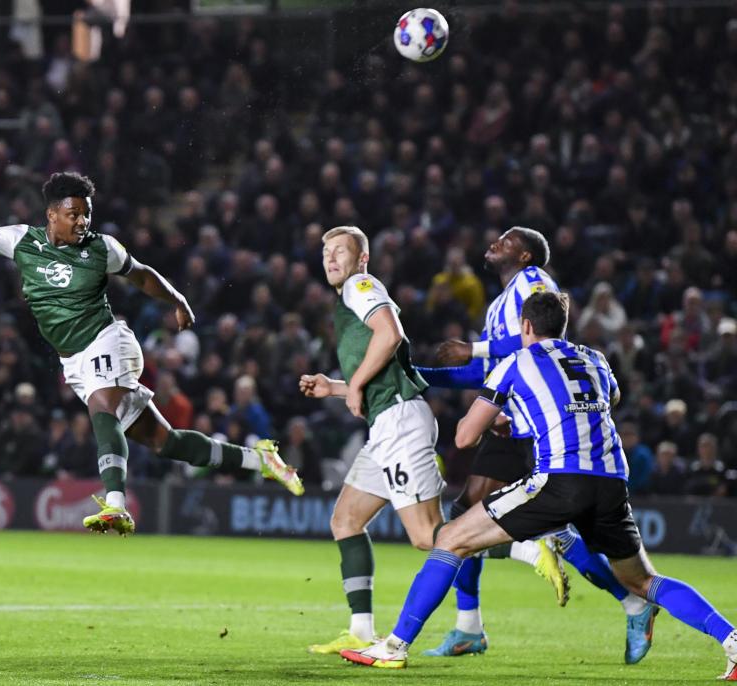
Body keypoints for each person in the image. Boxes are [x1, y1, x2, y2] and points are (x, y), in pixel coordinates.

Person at [0, 171, 302, 536]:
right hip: (74, 361)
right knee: (164, 442)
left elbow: (141, 275)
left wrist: (177, 299)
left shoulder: (102, 248)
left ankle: (115, 504)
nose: (82, 221)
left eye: (87, 214)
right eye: (74, 213)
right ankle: (260, 460)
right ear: (51, 214)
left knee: (103, 407)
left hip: (108, 339)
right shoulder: (20, 240)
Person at [341, 292, 737, 681]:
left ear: (525, 326)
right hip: (611, 481)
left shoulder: (515, 363)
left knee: (450, 539)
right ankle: (732, 640)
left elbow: (464, 437)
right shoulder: (595, 359)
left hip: (559, 478)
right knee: (643, 581)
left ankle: (394, 646)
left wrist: (496, 420)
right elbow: (609, 399)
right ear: (563, 326)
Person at [415, 227, 642, 659]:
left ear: (524, 256)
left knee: (465, 523)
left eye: (505, 241)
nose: (494, 243)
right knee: (502, 522)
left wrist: (474, 349)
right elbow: (490, 372)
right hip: (515, 422)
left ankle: (470, 624)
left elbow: (538, 339)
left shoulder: (534, 281)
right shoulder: (500, 303)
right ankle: (627, 601)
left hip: (532, 423)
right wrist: (424, 376)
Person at [298, 226, 446, 654]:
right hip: (387, 422)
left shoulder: (360, 286)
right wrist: (335, 387)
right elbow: (384, 371)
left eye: (340, 251)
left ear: (362, 259)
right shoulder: (347, 297)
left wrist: (357, 383)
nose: (330, 258)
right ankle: (361, 630)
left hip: (399, 422)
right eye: (326, 252)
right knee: (346, 520)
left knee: (426, 536)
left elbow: (389, 333)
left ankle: (527, 545)